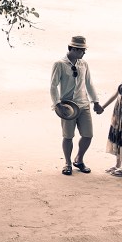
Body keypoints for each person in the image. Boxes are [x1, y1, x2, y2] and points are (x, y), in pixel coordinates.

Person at [49, 35, 103, 175]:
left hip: (84, 104)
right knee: (68, 136)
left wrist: (96, 102)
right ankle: (67, 163)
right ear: (73, 49)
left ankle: (79, 159)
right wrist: (57, 104)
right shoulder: (60, 64)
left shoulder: (83, 64)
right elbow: (53, 86)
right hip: (67, 106)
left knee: (88, 135)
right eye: (82, 50)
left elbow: (89, 83)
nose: (84, 53)